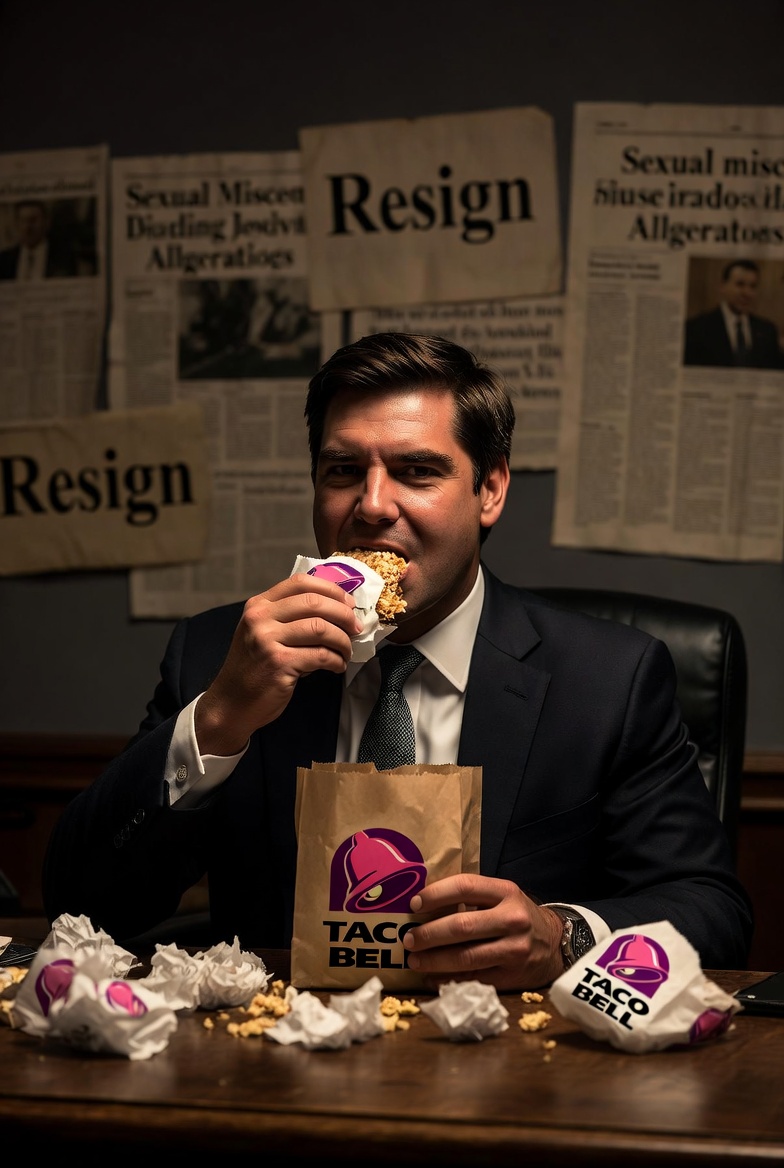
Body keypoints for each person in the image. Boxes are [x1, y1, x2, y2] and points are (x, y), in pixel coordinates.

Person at [42, 332, 753, 989]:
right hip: (270, 1065)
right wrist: (221, 717)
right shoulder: (221, 654)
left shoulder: (608, 680)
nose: (372, 505)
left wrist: (561, 934)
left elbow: (712, 912)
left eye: (417, 471)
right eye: (343, 470)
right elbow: (80, 905)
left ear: (491, 490)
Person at [683, 259, 784, 369]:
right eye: (740, 284)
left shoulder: (767, 330)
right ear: (723, 286)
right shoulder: (696, 328)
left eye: (753, 286)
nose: (747, 293)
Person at [0, 198, 81, 280]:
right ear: (16, 224)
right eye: (23, 221)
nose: (27, 227)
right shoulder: (4, 260)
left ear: (46, 222)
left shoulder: (64, 258)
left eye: (33, 220)